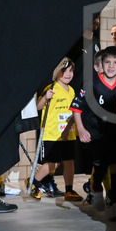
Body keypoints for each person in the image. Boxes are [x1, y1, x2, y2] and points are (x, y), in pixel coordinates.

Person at [71, 47, 116, 222]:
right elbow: (76, 108)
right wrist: (81, 129)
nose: (111, 66)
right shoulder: (91, 84)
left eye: (115, 62)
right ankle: (95, 188)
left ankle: (114, 205)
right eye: (107, 62)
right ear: (101, 65)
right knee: (101, 166)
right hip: (95, 133)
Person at [29, 58, 83, 202]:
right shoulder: (51, 88)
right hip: (52, 134)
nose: (68, 74)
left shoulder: (71, 91)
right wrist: (45, 98)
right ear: (57, 72)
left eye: (71, 71)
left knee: (69, 161)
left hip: (68, 133)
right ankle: (33, 183)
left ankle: (69, 190)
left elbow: (73, 112)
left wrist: (70, 129)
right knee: (54, 163)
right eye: (64, 71)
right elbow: (38, 107)